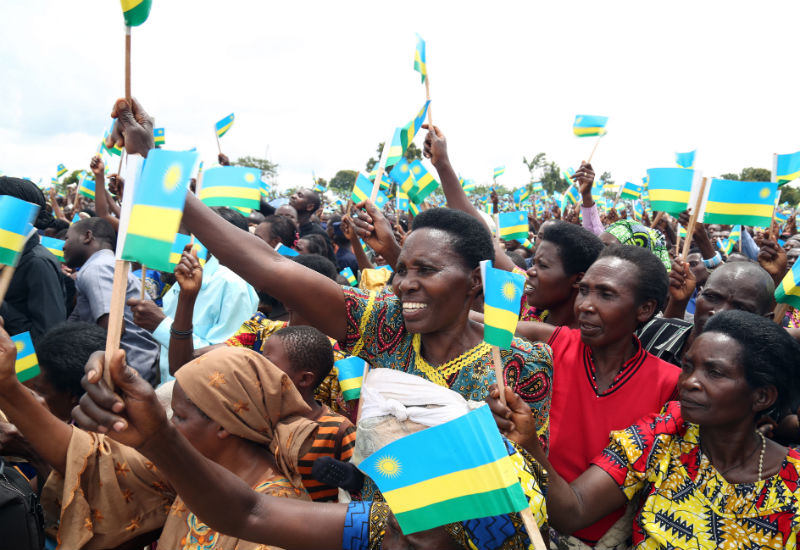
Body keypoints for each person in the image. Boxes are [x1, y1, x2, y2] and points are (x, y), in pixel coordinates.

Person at [490, 309, 800, 549]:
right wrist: (529, 444)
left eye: (715, 373)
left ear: (762, 396)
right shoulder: (661, 436)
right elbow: (574, 512)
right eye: (689, 366)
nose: (690, 381)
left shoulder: (794, 484)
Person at [0, 331, 316, 550]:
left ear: (223, 425)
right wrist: (9, 386)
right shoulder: (191, 475)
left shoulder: (281, 516)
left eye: (179, 417)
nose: (169, 427)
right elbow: (90, 458)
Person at [512, 244, 680, 547]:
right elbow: (467, 324)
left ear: (644, 309)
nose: (585, 305)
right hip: (524, 521)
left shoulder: (670, 384)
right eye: (584, 291)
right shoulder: (554, 342)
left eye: (606, 294)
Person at [127, 207, 260, 383]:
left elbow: (226, 360)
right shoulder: (178, 284)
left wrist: (161, 324)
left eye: (175, 234)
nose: (166, 242)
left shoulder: (231, 284)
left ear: (198, 240)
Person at [262, 326, 356, 502]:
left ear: (304, 379)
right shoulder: (260, 421)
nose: (258, 370)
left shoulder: (338, 430)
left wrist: (348, 476)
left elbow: (361, 488)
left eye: (267, 364)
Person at [63, 217, 159, 384]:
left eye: (67, 238)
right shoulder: (105, 265)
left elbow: (113, 330)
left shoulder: (98, 268)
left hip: (127, 373)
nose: (63, 246)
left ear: (87, 236)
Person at [638, 260, 776, 367]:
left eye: (740, 308)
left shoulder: (758, 375)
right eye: (712, 297)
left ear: (765, 320)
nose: (719, 312)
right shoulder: (650, 330)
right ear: (698, 294)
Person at [0, 176, 67, 341]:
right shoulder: (6, 256)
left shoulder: (38, 263)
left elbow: (49, 337)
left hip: (23, 365)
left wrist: (4, 310)